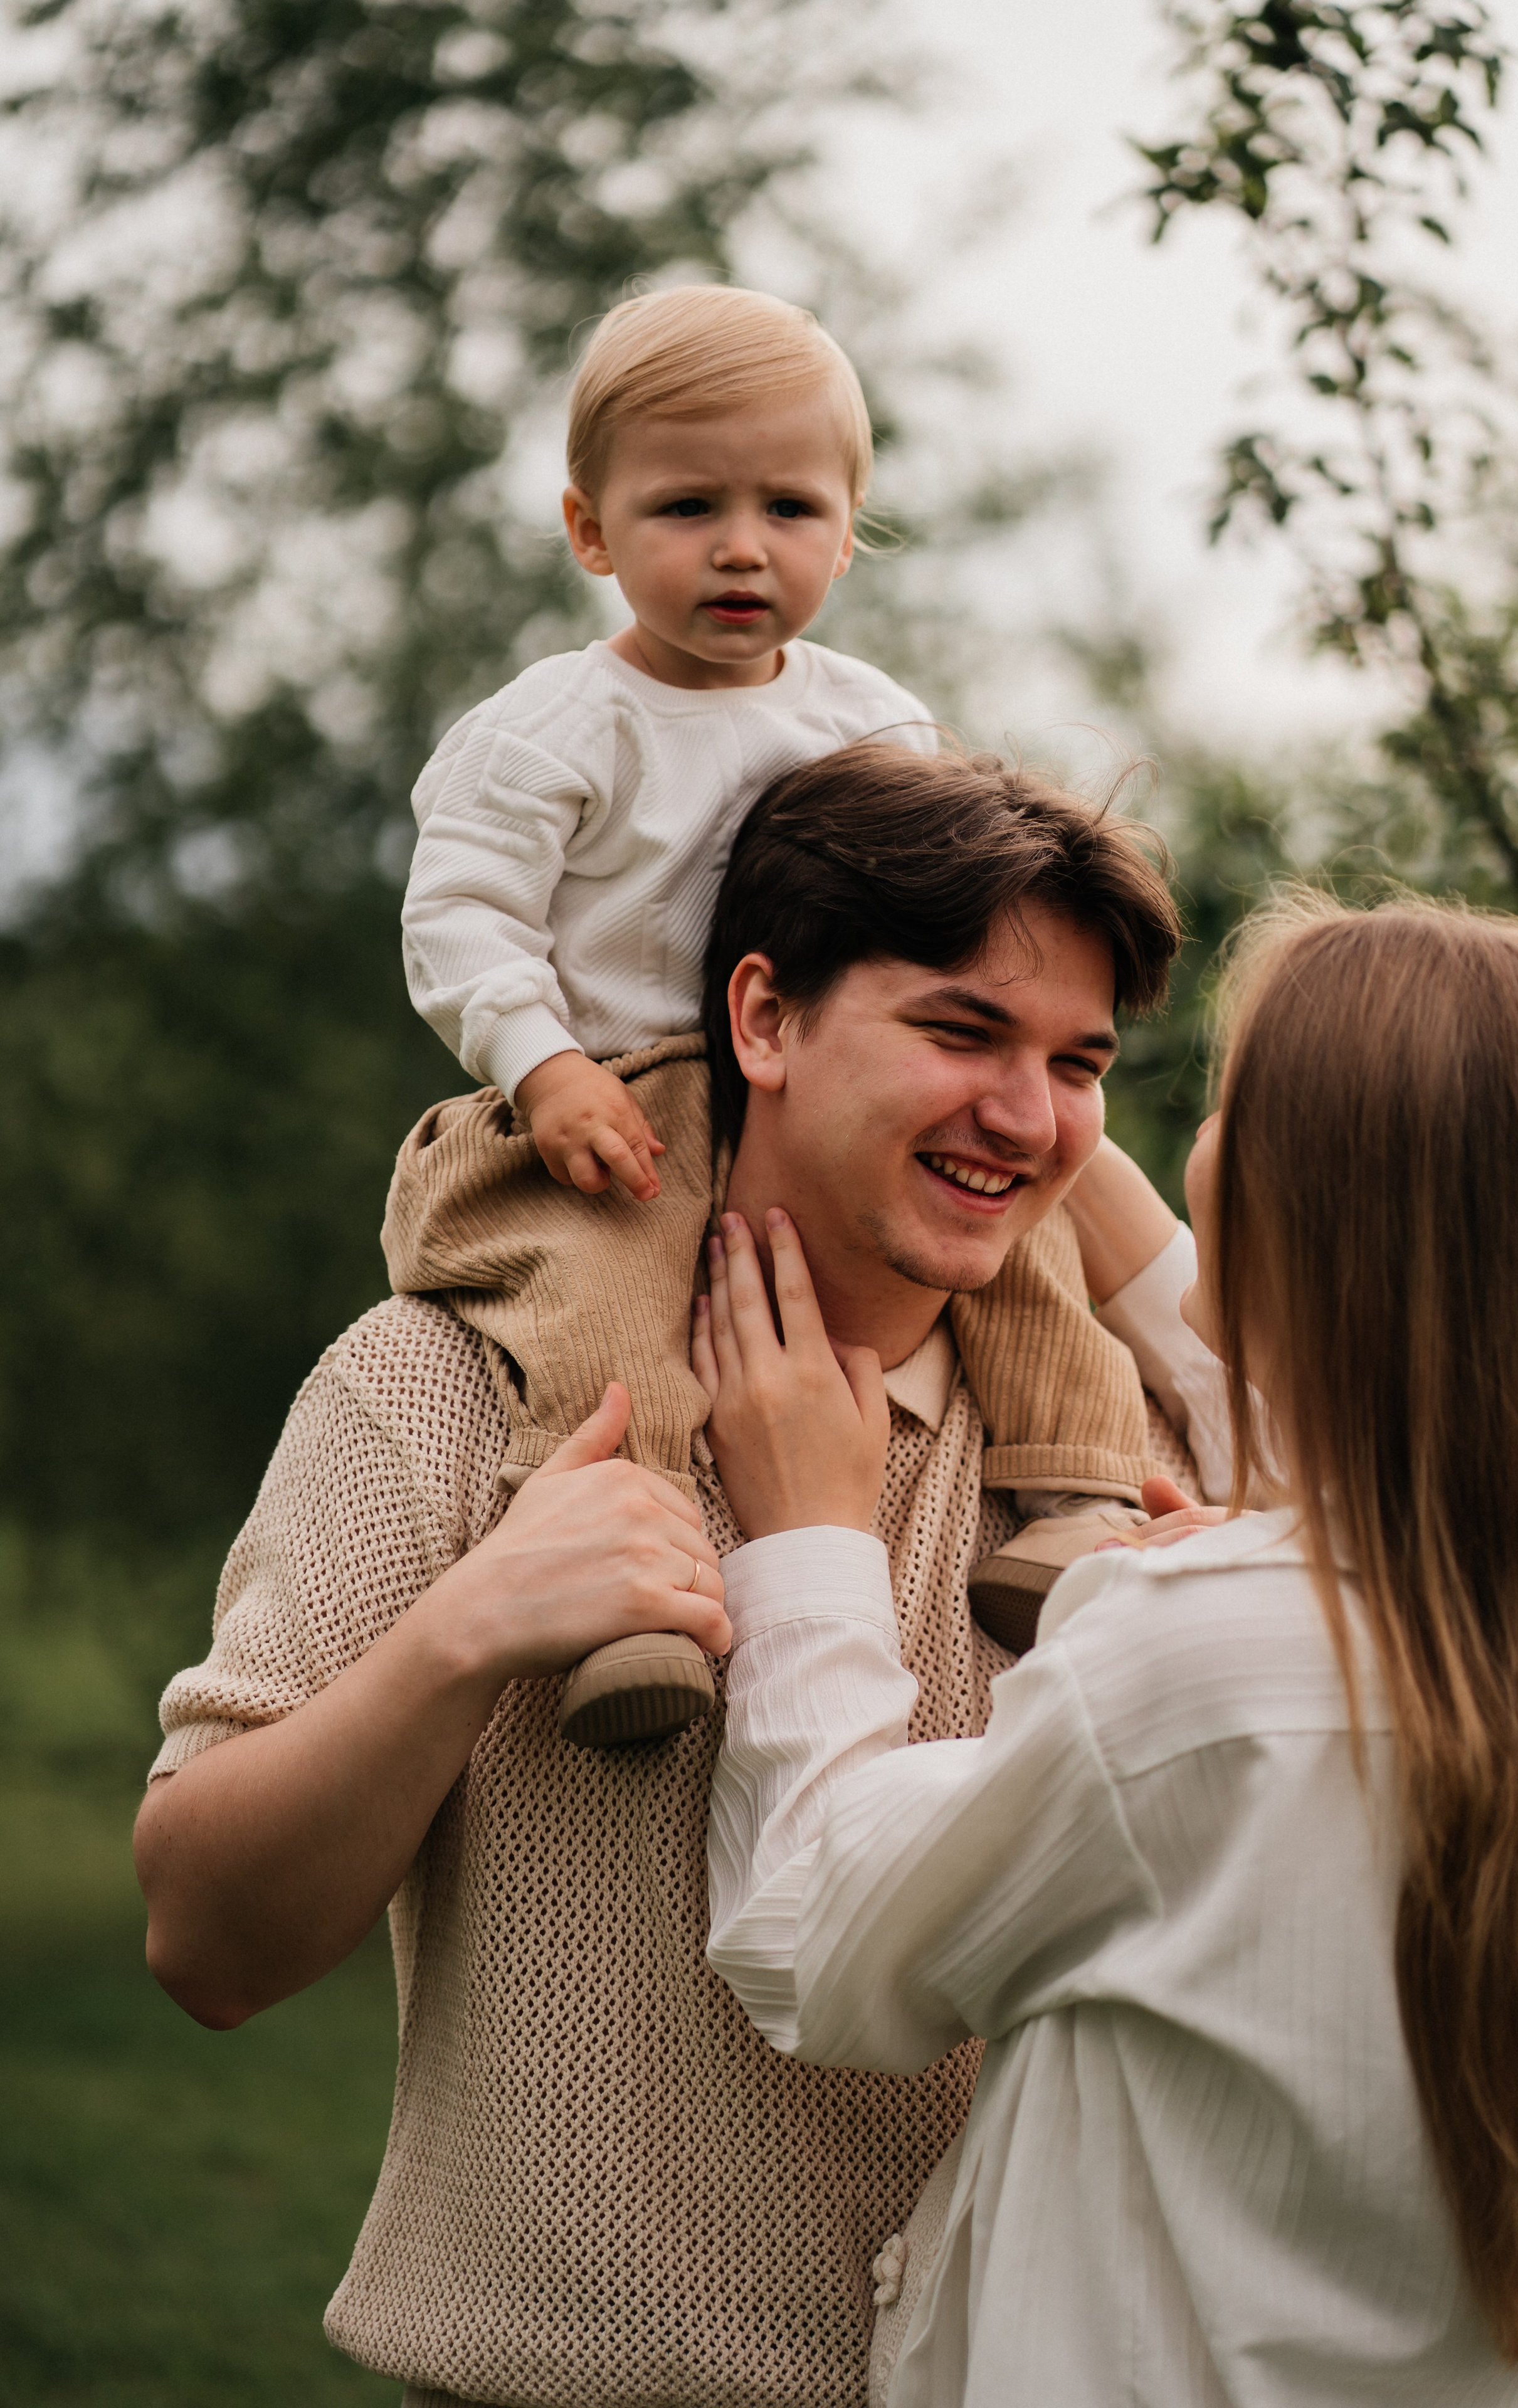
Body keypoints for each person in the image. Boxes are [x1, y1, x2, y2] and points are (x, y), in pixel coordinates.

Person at [133, 758, 1182, 2408]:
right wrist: (462, 1635)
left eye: (1079, 1064)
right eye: (962, 1034)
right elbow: (208, 1940)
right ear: (760, 1018)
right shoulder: (433, 1389)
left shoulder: (1135, 1465)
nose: (1030, 1119)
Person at [702, 893, 1518, 2405]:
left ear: (1294, 1202)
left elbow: (816, 1936)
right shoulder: (1513, 1625)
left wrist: (808, 1546)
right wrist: (1045, 1133)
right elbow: (1423, 1457)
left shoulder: (1196, 1663)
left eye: (1225, 1104)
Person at [387, 282, 1178, 1747]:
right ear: (590, 532)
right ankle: (627, 1593)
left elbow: (956, 900)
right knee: (604, 1312)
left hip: (817, 1080)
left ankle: (1073, 1496)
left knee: (1021, 1258)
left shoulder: (865, 716)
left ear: (847, 531)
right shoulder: (556, 729)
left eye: (792, 509)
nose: (743, 547)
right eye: (687, 506)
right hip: (619, 1089)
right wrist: (539, 1064)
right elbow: (462, 918)